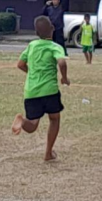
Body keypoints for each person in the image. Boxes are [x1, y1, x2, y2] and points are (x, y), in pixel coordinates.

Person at [11, 16, 70, 162]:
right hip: (50, 90)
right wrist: (64, 77)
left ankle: (22, 121)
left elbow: (20, 64)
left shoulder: (32, 45)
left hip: (31, 91)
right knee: (54, 119)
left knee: (32, 125)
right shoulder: (55, 47)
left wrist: (31, 73)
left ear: (36, 32)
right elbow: (61, 62)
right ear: (52, 29)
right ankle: (48, 153)